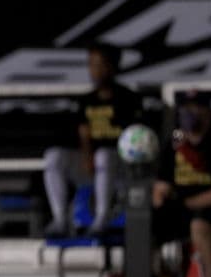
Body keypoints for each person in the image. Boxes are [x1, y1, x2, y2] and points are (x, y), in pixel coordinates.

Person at [43, 43, 143, 236]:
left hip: (120, 167)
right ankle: (60, 219)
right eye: (91, 64)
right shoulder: (86, 100)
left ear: (112, 67)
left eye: (100, 64)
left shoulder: (128, 98)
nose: (95, 70)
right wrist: (87, 157)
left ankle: (101, 219)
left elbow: (136, 137)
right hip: (93, 166)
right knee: (53, 156)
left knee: (103, 155)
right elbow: (84, 133)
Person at [153, 92, 211, 277]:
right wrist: (160, 197)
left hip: (207, 207)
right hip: (179, 208)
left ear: (207, 111)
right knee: (145, 221)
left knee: (199, 224)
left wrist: (189, 204)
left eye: (195, 107)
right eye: (185, 108)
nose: (189, 113)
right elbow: (161, 185)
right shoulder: (175, 141)